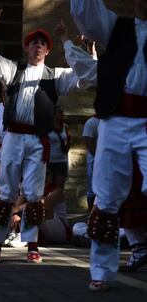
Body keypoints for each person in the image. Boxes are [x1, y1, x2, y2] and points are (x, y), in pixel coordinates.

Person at [0, 10, 95, 264]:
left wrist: (81, 48)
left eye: (43, 43)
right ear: (27, 48)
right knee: (7, 190)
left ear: (47, 49)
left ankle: (32, 244)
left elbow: (87, 77)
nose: (38, 46)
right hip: (13, 137)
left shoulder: (56, 76)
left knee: (33, 192)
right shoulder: (14, 70)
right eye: (34, 43)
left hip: (37, 141)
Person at [71, 0, 147, 291]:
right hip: (115, 120)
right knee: (106, 195)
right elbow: (84, 14)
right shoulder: (117, 27)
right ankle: (101, 270)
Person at [47, 105, 71, 189]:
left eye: (62, 112)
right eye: (60, 112)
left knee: (59, 188)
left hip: (61, 161)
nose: (62, 114)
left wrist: (69, 142)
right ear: (53, 115)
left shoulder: (65, 127)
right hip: (50, 161)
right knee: (49, 187)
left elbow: (66, 148)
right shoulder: (47, 127)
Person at [82, 115, 99, 211]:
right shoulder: (91, 122)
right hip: (94, 162)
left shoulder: (110, 121)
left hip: (106, 162)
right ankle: (91, 214)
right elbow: (88, 141)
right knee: (92, 190)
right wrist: (98, 158)